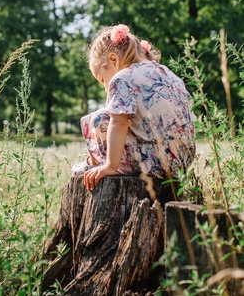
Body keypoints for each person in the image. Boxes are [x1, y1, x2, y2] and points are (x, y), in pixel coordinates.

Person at [72, 24, 196, 192]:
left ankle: (95, 164)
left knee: (100, 119)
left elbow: (119, 124)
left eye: (102, 79)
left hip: (156, 162)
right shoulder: (168, 73)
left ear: (113, 60)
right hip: (183, 160)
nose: (105, 88)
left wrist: (110, 166)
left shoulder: (122, 79)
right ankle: (92, 162)